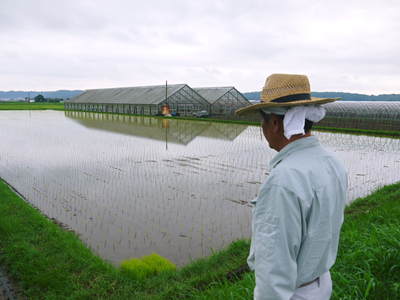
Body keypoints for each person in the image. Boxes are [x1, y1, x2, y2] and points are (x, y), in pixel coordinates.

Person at [235, 74, 348, 300]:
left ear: (275, 123)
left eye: (262, 121)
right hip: (321, 283)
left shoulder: (283, 180)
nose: (263, 128)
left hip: (294, 293)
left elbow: (273, 270)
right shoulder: (332, 162)